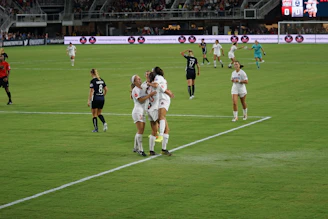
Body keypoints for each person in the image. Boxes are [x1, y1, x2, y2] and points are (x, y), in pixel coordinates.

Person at [147, 67, 174, 156]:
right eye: (147, 74)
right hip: (153, 107)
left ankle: (162, 146)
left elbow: (159, 87)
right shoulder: (146, 84)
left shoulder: (156, 79)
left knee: (164, 125)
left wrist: (167, 92)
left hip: (160, 103)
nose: (149, 74)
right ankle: (153, 150)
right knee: (155, 130)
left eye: (150, 73)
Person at [131, 74, 157, 157]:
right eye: (138, 79)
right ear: (134, 82)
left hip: (142, 112)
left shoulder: (141, 88)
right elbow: (141, 100)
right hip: (137, 111)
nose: (140, 80)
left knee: (140, 130)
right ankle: (140, 150)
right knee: (140, 130)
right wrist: (149, 95)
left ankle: (136, 148)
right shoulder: (135, 90)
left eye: (139, 78)